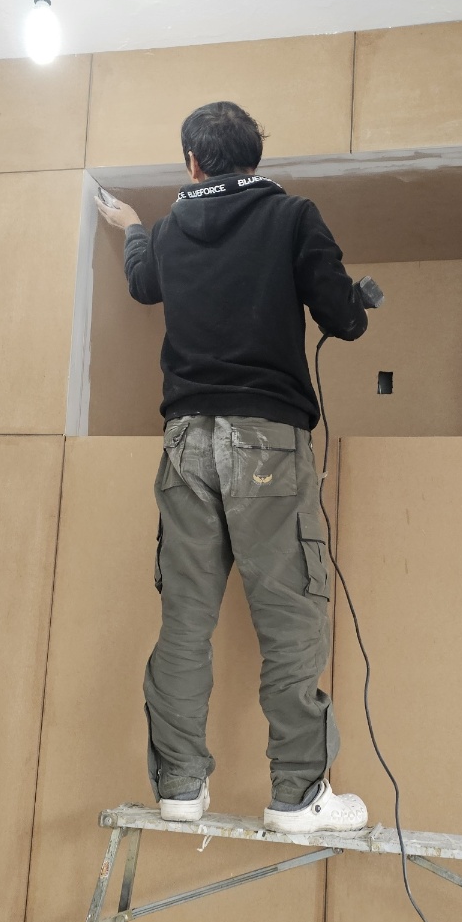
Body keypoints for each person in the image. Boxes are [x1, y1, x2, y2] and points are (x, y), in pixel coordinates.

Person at [96, 100, 377, 835]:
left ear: (192, 162)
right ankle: (298, 795)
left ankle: (180, 787)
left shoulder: (168, 229)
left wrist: (131, 225)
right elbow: (343, 320)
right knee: (288, 615)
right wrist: (356, 305)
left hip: (185, 441)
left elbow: (142, 282)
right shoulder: (292, 216)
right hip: (265, 444)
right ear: (255, 157)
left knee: (186, 619)